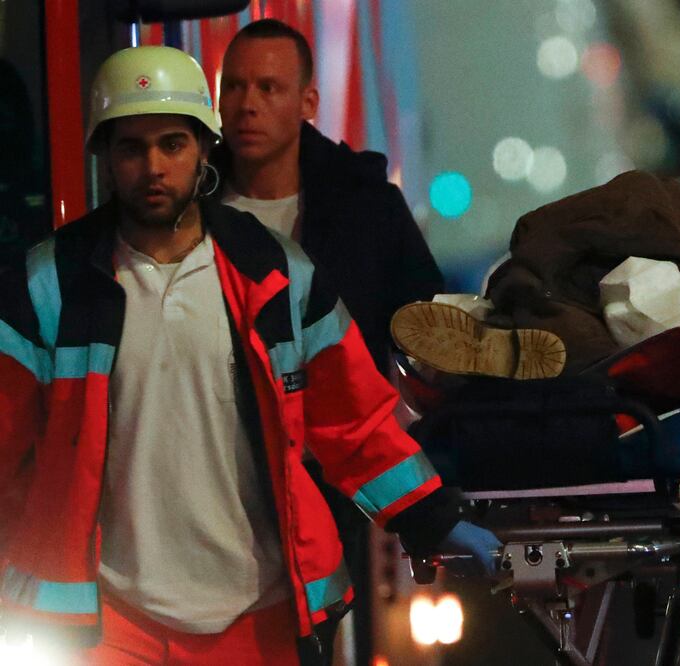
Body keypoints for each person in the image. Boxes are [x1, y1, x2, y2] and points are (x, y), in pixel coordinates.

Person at [0, 45, 498, 666]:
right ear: (104, 155)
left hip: (256, 617)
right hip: (106, 621)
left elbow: (353, 421)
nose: (153, 166)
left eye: (172, 144)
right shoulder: (46, 285)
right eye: (132, 147)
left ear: (205, 150)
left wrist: (430, 517)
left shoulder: (275, 273)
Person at [211, 19, 446, 664]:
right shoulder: (185, 211)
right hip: (213, 475)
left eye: (268, 87)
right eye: (233, 87)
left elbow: (424, 327)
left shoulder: (366, 208)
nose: (246, 104)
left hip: (330, 479)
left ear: (309, 103)